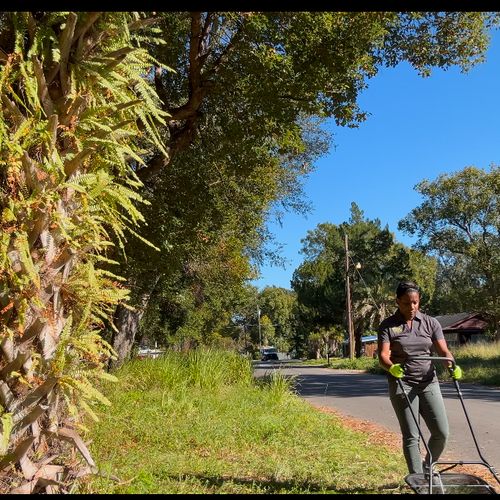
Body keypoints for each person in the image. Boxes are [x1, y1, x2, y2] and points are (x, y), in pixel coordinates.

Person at [377, 281, 463, 475]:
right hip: (403, 384)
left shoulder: (431, 323)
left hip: (428, 382)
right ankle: (418, 481)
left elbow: (443, 351)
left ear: (419, 301)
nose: (412, 307)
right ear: (398, 301)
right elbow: (383, 356)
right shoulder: (388, 326)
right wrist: (392, 368)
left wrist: (452, 365)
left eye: (415, 302)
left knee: (441, 433)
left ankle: (427, 466)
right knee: (412, 436)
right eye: (407, 303)